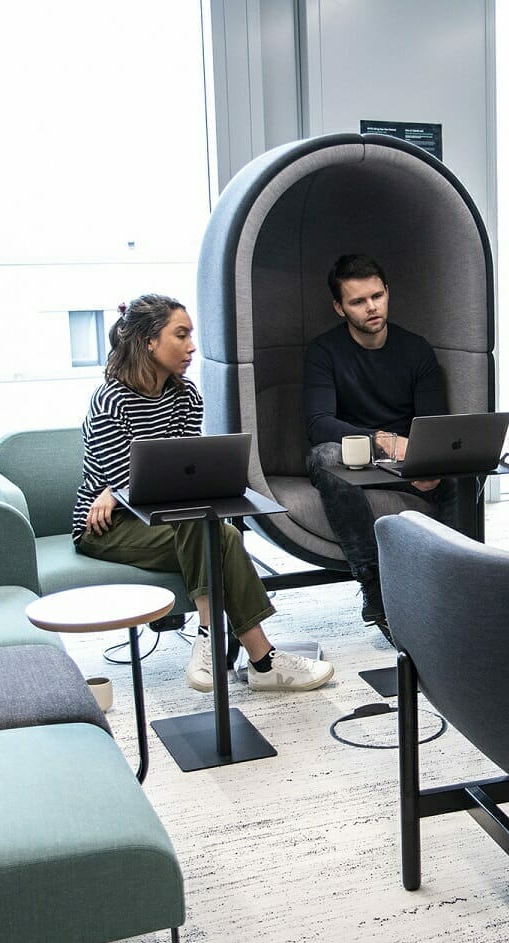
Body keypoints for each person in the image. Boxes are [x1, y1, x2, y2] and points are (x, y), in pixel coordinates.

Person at [73, 293, 334, 693]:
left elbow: (182, 473)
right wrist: (116, 490)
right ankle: (250, 654)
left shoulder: (186, 396)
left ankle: (234, 648)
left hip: (171, 520)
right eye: (181, 335)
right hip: (109, 527)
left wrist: (172, 485)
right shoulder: (111, 400)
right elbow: (129, 488)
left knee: (218, 530)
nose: (192, 346)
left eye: (192, 335)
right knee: (210, 527)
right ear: (148, 341)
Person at [303, 255, 463, 635]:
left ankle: (459, 583)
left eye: (377, 295)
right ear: (339, 308)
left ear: (388, 292)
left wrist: (429, 464)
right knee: (323, 456)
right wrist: (385, 442)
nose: (372, 307)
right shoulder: (324, 352)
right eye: (358, 301)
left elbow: (433, 425)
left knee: (464, 470)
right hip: (359, 460)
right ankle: (375, 588)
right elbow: (318, 424)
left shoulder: (416, 350)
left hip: (406, 463)